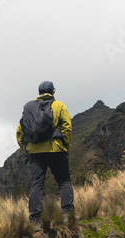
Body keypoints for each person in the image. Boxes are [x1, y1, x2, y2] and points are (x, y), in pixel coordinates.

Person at [16, 81, 74, 229]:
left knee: (36, 184)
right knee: (64, 181)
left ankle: (35, 221)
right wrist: (64, 146)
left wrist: (27, 148)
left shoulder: (29, 107)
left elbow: (20, 131)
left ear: (39, 93)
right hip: (56, 150)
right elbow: (67, 127)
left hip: (35, 153)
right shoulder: (59, 105)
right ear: (53, 92)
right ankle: (68, 214)